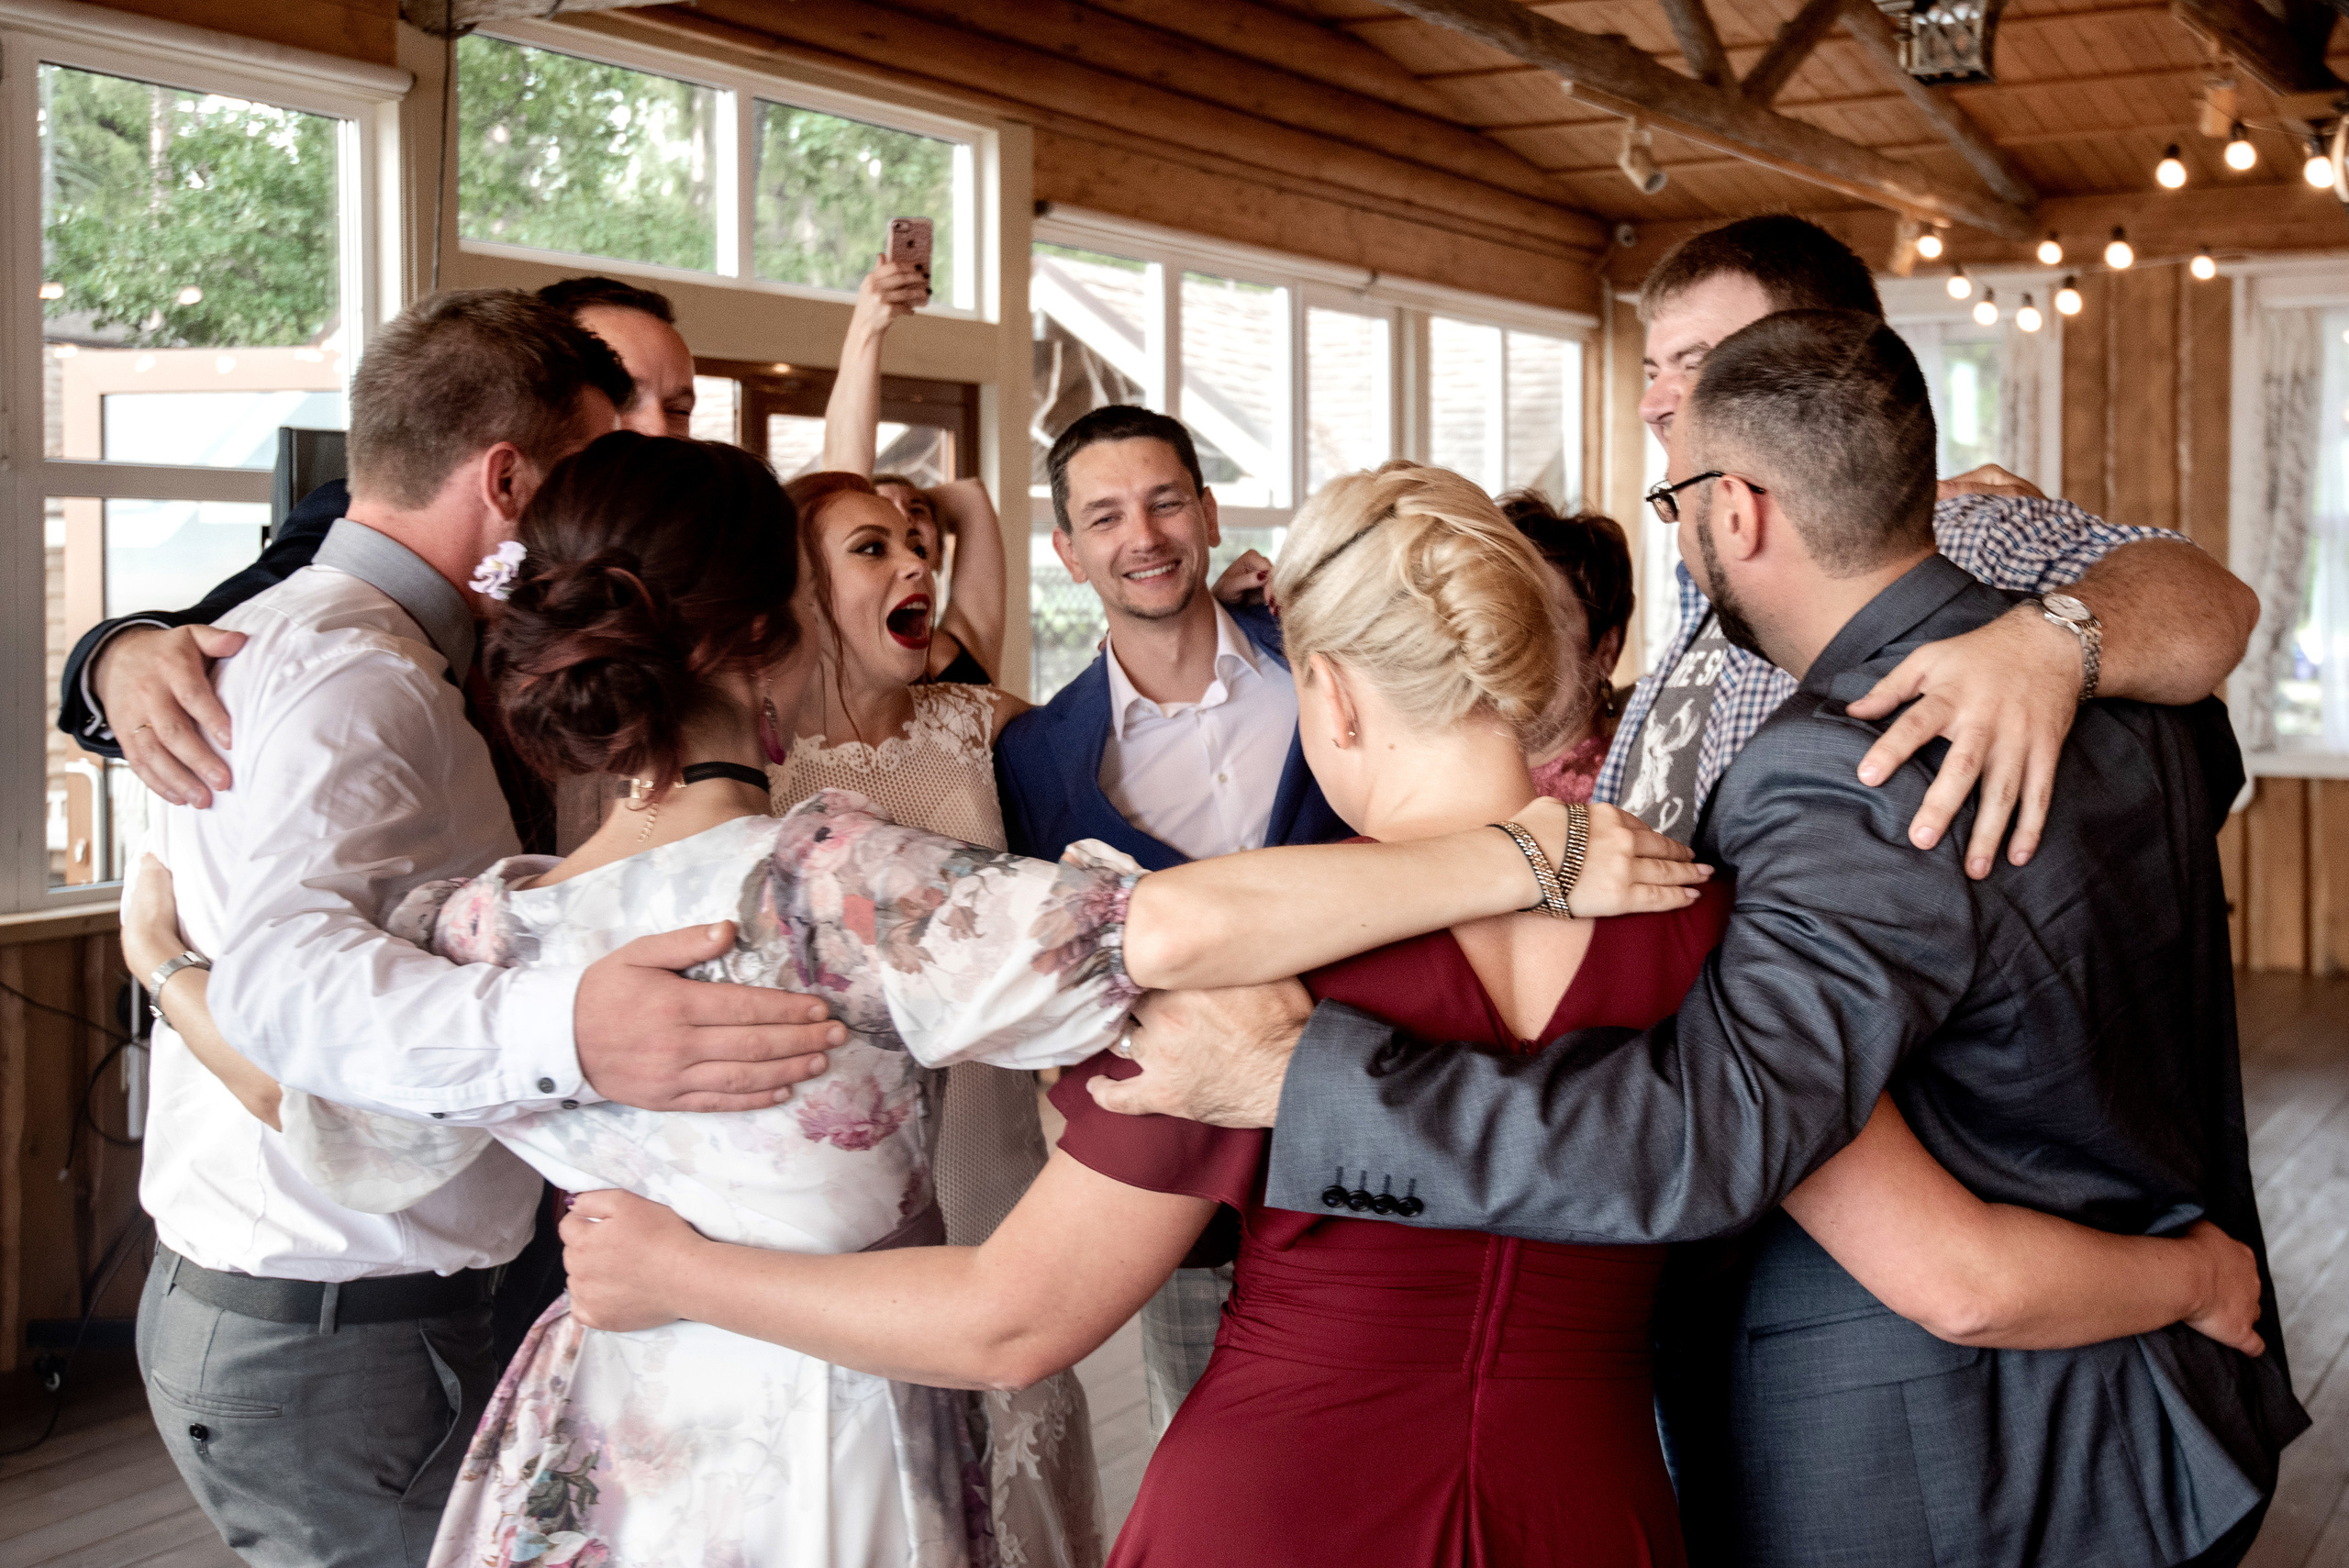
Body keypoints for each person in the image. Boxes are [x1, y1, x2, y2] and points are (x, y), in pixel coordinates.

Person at [554, 460, 2266, 1568]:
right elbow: (1954, 1272)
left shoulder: (1262, 971)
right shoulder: (1694, 927)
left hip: (1276, 1514)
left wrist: (681, 1269)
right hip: (1590, 1511)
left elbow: (1012, 1320)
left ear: (1334, 693)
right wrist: (2193, 1272)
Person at [128, 433, 1709, 1564]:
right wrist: (1524, 849)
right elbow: (1155, 928)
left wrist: (167, 966)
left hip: (599, 1420)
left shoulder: (487, 926)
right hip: (835, 1428)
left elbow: (306, 1093)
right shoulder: (840, 883)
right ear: (775, 634)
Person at [1102, 315, 2304, 1568]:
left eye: (1677, 492)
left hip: (1950, 1467)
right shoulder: (2137, 696)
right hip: (2172, 1424)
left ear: (1739, 510)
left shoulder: (1836, 768)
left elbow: (1699, 1138)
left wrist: (1307, 1085)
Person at [125, 292, 841, 1568]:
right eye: (579, 480)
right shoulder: (362, 673)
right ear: (508, 481)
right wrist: (576, 1026)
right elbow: (289, 979)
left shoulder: (331, 641)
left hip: (343, 1301)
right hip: (344, 1327)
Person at [1605, 216, 2255, 867]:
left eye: (1697, 362)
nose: (1652, 402)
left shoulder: (1969, 530)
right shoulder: (1710, 540)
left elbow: (2214, 601)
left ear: (1817, 353)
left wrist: (2050, 641)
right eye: (1654, 367)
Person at [993, 403, 1349, 1430]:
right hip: (1184, 1204)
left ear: (1207, 509)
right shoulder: (1038, 760)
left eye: (1162, 503)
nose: (1140, 537)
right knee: (1214, 1472)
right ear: (1067, 552)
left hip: (1369, 1145)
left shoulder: (1325, 663)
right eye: (1103, 518)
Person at [769, 470, 1097, 1567]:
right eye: (873, 549)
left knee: (1016, 1451)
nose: (917, 564)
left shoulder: (975, 721)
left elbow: (1122, 758)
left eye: (919, 544)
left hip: (991, 1153)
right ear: (798, 586)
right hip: (835, 1178)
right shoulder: (752, 770)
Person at [56, 273, 698, 822]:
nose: (650, 431)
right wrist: (117, 656)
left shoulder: (686, 556)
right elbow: (236, 635)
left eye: (678, 408)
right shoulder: (374, 533)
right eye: (622, 397)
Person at [821, 260, 1008, 685]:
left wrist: (903, 513)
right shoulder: (835, 646)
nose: (903, 518)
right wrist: (868, 326)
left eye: (916, 515)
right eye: (874, 544)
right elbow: (841, 474)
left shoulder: (964, 640)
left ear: (939, 555)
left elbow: (972, 497)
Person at [1501, 494, 1635, 803]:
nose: (1514, 640)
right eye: (1502, 613)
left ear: (1606, 652)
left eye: (1544, 619)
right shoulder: (1459, 776)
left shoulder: (1620, 795)